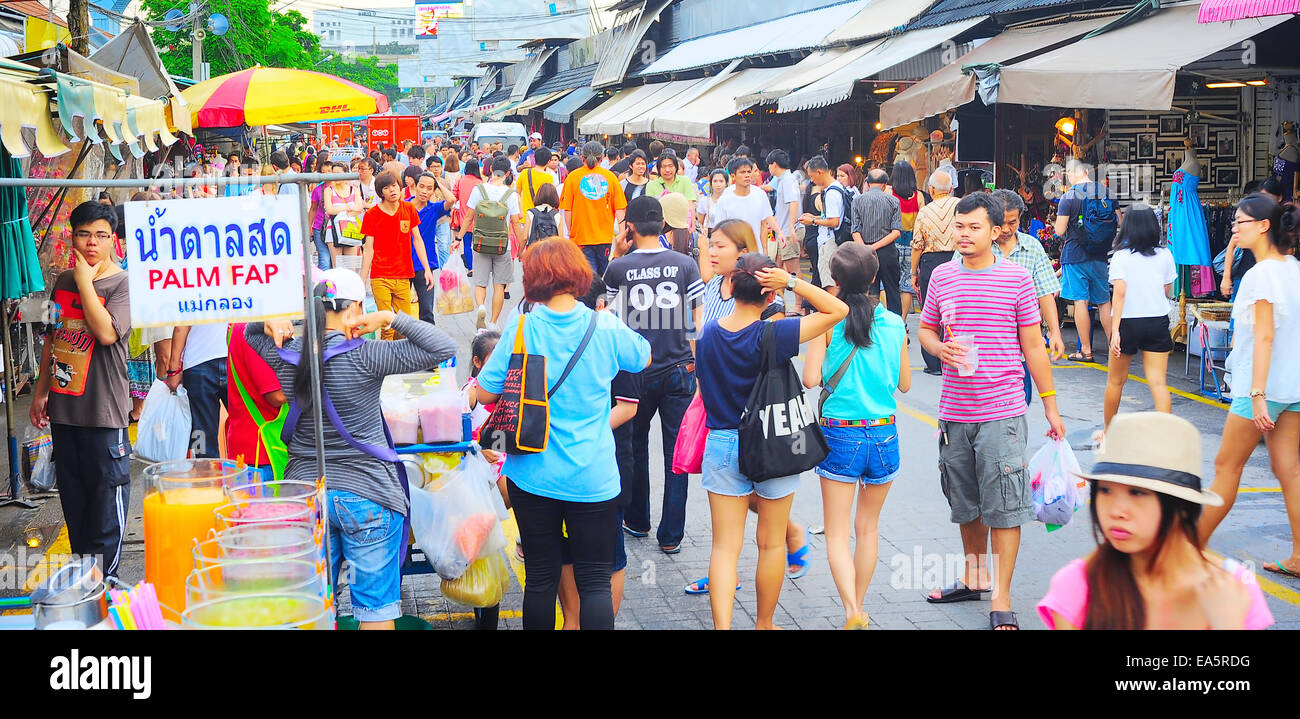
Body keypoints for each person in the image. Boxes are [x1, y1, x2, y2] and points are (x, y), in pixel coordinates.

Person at [250, 268, 457, 630]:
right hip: (368, 497)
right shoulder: (368, 355)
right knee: (375, 612)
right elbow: (443, 347)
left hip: (306, 497)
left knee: (311, 609)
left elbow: (248, 332)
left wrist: (272, 318)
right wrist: (392, 316)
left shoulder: (288, 353)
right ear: (355, 310)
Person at [476, 238, 652, 630]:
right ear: (578, 274)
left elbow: (486, 390)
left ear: (534, 279)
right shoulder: (603, 324)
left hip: (533, 475)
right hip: (593, 476)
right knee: (594, 582)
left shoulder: (521, 327)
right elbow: (642, 356)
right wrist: (612, 317)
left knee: (540, 578)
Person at [918, 192, 1066, 630]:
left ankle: (1000, 597)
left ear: (997, 230)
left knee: (1003, 504)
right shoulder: (943, 276)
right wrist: (937, 346)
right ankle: (974, 576)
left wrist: (1051, 407)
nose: (964, 235)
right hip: (954, 410)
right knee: (965, 503)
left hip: (1002, 409)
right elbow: (926, 328)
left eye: (974, 228)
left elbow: (1033, 346)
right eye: (959, 227)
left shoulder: (1017, 278)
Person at [695, 252, 847, 629]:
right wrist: (792, 282)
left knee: (724, 547)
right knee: (772, 542)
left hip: (723, 442)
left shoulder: (708, 333)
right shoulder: (775, 334)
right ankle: (764, 624)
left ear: (730, 287)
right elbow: (836, 310)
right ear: (769, 295)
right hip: (774, 440)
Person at [1038, 412, 1273, 630]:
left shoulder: (1233, 587)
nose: (1116, 511)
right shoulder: (1078, 585)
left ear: (1181, 505)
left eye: (1137, 492)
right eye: (1106, 490)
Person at [802, 243, 909, 629]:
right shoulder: (895, 324)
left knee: (836, 532)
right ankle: (859, 606)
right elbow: (905, 385)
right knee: (868, 529)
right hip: (884, 434)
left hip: (840, 435)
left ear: (834, 280)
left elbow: (811, 379)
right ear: (875, 278)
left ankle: (851, 611)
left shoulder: (826, 322)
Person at [1198, 195, 1300, 579]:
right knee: (1288, 469)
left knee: (1227, 466)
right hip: (1292, 387)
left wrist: (1256, 396)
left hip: (1261, 389)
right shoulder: (1293, 268)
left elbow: (1265, 338)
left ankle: (1188, 546)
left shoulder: (1261, 275)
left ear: (1264, 226)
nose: (1234, 228)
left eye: (1240, 222)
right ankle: (1298, 555)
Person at [29, 201, 131, 578]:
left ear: (112, 241)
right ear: (74, 237)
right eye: (84, 234)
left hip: (104, 417)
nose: (92, 243)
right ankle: (86, 592)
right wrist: (41, 391)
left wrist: (86, 280)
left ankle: (107, 587)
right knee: (77, 510)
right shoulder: (61, 282)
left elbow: (105, 333)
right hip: (65, 415)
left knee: (107, 512)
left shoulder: (123, 284)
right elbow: (52, 338)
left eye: (101, 235)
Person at [604, 196, 704, 554]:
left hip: (634, 371)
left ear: (629, 227)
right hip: (679, 368)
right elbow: (697, 321)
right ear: (664, 225)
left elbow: (606, 314)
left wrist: (616, 253)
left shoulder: (619, 269)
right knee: (677, 452)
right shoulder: (684, 264)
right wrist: (698, 367)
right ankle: (671, 534)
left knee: (634, 445)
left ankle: (637, 519)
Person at [975, 190, 1066, 404]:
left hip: (1021, 350)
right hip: (983, 347)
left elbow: (1045, 292)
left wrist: (1054, 332)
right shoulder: (976, 244)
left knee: (1017, 409)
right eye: (1001, 222)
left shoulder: (1032, 247)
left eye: (1012, 222)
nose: (1006, 229)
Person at [1103, 204, 1176, 429]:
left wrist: (1115, 332)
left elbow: (1120, 294)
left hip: (1127, 322)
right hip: (1157, 320)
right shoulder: (1165, 254)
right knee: (1158, 382)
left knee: (1116, 381)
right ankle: (1166, 437)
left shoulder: (1120, 257)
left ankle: (1109, 433)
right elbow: (1166, 289)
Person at [361, 171, 435, 340]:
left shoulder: (408, 209)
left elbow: (417, 240)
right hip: (380, 276)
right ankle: (386, 362)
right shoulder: (371, 215)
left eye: (394, 185)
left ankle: (400, 362)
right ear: (381, 193)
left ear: (400, 187)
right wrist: (362, 280)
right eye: (386, 188)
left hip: (403, 275)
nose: (392, 190)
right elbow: (368, 249)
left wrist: (427, 269)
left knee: (404, 325)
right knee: (386, 325)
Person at [1056, 159, 1117, 362]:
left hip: (1075, 255)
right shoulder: (1106, 193)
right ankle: (1114, 348)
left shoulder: (1069, 196)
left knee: (1080, 301)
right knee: (1103, 302)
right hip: (1100, 255)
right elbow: (1120, 223)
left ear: (1076, 173)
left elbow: (1059, 230)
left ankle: (1086, 351)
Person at [911, 170, 960, 375]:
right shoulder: (961, 206)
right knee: (956, 309)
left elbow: (917, 244)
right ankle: (956, 355)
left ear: (931, 190)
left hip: (931, 263)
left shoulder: (925, 211)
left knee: (931, 311)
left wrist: (914, 272)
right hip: (958, 259)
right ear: (950, 189)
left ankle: (933, 362)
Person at [467, 156, 523, 332]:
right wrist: (522, 245)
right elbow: (515, 222)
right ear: (507, 173)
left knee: (480, 282)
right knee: (499, 284)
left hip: (480, 242)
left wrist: (459, 238)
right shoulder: (511, 194)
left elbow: (469, 216)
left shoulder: (479, 190)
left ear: (490, 170)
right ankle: (492, 322)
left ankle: (481, 307)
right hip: (502, 245)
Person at [226, 323, 286, 481]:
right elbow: (276, 396)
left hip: (253, 450)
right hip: (261, 454)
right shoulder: (249, 328)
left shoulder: (240, 326)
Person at [561, 140, 627, 277]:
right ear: (602, 158)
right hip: (605, 238)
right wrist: (622, 234)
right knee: (604, 277)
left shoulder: (572, 178)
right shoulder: (610, 177)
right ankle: (602, 298)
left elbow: (567, 210)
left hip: (581, 238)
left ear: (582, 158)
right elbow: (620, 209)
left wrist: (571, 233)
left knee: (588, 278)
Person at [711, 156, 787, 259]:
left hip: (755, 253)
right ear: (733, 176)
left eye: (748, 171)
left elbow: (766, 220)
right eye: (742, 172)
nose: (747, 175)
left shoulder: (760, 194)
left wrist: (779, 234)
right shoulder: (725, 199)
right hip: (733, 254)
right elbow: (719, 228)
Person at [851, 169, 903, 315]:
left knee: (870, 292)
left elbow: (855, 230)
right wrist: (875, 246)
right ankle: (898, 327)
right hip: (888, 253)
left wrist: (866, 248)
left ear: (867, 183)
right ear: (885, 185)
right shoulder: (893, 201)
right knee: (892, 290)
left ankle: (870, 325)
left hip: (865, 252)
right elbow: (896, 232)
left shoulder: (857, 200)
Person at [410, 172, 457, 324]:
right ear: (415, 187)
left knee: (426, 311)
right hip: (403, 263)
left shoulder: (434, 208)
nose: (424, 191)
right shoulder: (404, 205)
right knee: (401, 310)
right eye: (421, 186)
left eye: (429, 188)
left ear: (433, 191)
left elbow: (451, 199)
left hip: (425, 265)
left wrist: (437, 181)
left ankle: (428, 346)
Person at [798, 155, 846, 292]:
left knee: (830, 285)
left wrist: (812, 221)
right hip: (832, 241)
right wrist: (815, 217)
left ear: (819, 172)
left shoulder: (831, 193)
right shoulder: (838, 187)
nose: (811, 181)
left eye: (812, 177)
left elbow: (834, 221)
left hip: (829, 242)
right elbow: (832, 216)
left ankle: (835, 312)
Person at [889, 160, 925, 320]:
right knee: (906, 285)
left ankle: (891, 319)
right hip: (912, 244)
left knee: (890, 283)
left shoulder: (889, 194)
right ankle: (902, 321)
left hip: (892, 243)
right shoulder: (919, 196)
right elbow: (922, 222)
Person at [324, 161, 366, 267]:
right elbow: (329, 210)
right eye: (334, 173)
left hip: (350, 229)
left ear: (345, 173)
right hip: (333, 230)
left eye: (339, 173)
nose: (336, 176)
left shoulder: (354, 190)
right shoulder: (329, 190)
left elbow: (359, 208)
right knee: (337, 266)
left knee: (351, 265)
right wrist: (348, 208)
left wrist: (340, 209)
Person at [453, 159, 484, 275]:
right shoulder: (481, 183)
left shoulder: (460, 181)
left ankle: (470, 268)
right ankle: (480, 267)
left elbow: (454, 196)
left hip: (464, 218)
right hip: (480, 219)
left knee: (466, 244)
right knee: (479, 245)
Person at [516, 146, 557, 215]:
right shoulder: (549, 177)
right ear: (548, 161)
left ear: (534, 159)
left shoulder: (525, 172)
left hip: (525, 214)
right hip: (540, 217)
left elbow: (517, 193)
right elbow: (550, 199)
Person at [523, 183, 565, 247]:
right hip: (552, 253)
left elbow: (525, 238)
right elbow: (561, 240)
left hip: (534, 252)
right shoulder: (557, 215)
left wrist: (520, 252)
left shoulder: (530, 213)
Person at [695, 169, 728, 238]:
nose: (718, 184)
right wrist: (703, 231)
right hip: (710, 236)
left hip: (727, 235)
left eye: (721, 181)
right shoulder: (704, 201)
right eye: (715, 181)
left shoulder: (730, 201)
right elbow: (700, 222)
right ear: (711, 183)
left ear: (726, 183)